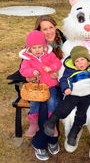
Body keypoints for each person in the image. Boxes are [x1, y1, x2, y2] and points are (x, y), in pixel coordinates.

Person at [7, 15, 66, 161]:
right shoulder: (34, 46)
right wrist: (28, 77)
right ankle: (40, 143)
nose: (49, 31)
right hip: (39, 87)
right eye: (44, 29)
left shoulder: (64, 41)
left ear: (55, 27)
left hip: (59, 85)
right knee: (44, 105)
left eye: (51, 27)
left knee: (52, 101)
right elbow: (24, 69)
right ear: (39, 31)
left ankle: (52, 140)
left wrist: (57, 76)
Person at [44, 46, 90, 146]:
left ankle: (73, 134)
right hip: (74, 92)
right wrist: (66, 88)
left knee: (82, 114)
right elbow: (64, 79)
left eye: (82, 59)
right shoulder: (70, 69)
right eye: (77, 61)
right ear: (73, 63)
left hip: (87, 94)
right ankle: (50, 122)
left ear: (88, 59)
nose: (80, 63)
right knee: (65, 108)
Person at [19, 30, 62, 137]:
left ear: (44, 46)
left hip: (50, 86)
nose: (37, 50)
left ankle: (52, 124)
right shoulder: (28, 59)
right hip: (36, 88)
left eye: (39, 47)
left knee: (52, 102)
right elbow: (23, 70)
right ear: (29, 49)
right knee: (34, 104)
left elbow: (58, 63)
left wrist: (51, 68)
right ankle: (34, 125)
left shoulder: (49, 55)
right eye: (34, 48)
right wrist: (32, 72)